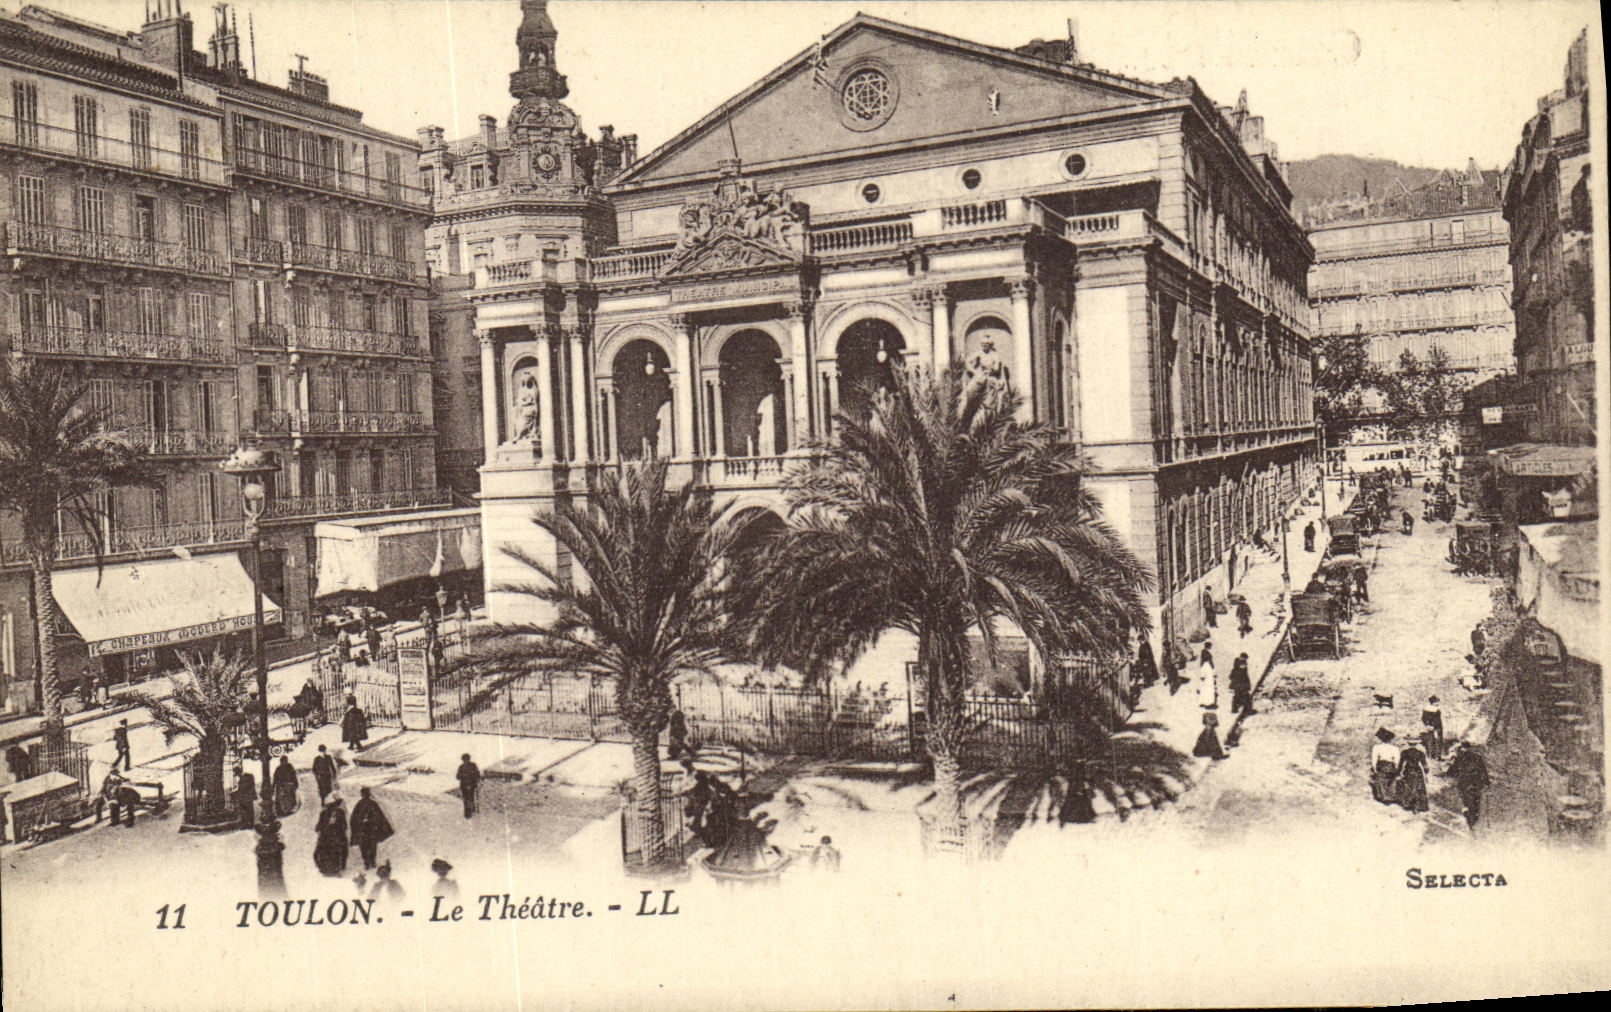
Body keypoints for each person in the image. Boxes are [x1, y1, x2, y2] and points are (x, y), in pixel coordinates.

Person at [349, 786, 394, 870]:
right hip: (371, 829)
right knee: (372, 845)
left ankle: (367, 862)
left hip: (364, 829)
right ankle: (372, 861)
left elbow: (353, 819)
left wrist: (359, 825)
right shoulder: (373, 804)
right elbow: (379, 817)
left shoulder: (359, 804)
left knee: (364, 845)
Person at [1446, 742, 1490, 829]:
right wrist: (1486, 781)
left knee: (1466, 799)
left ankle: (1469, 814)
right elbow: (1483, 769)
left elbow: (1451, 771)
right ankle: (1474, 817)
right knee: (1476, 799)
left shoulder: (1460, 757)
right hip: (1476, 783)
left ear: (1462, 748)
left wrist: (1449, 772)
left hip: (1464, 783)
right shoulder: (1478, 757)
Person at [314, 795, 349, 876]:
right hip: (337, 836)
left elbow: (318, 826)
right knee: (343, 849)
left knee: (321, 850)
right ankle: (340, 867)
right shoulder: (340, 812)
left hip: (326, 837)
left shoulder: (323, 813)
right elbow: (344, 826)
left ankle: (324, 869)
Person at [1370, 728, 1401, 804]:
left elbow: (1374, 759)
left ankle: (1384, 797)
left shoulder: (1377, 747)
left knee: (1381, 780)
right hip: (1391, 765)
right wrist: (1397, 769)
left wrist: (1374, 768)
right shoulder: (1395, 748)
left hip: (1381, 765)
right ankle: (1391, 796)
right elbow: (1397, 760)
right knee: (1392, 781)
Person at [1397, 739, 1430, 812]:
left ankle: (1408, 804)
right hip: (1417, 770)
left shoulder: (1404, 752)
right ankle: (1420, 805)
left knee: (1408, 786)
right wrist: (1426, 773)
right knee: (1419, 787)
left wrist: (1398, 773)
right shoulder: (1420, 753)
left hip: (1408, 770)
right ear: (1416, 744)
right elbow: (1425, 765)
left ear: (1408, 744)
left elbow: (1400, 764)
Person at [456, 753, 480, 819]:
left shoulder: (461, 767)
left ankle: (468, 812)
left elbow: (458, 777)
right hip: (470, 785)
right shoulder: (473, 765)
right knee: (470, 797)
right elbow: (477, 774)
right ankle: (471, 811)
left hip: (465, 785)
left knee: (467, 798)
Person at [1420, 695, 1445, 759]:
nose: (1438, 703)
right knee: (1438, 741)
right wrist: (1434, 726)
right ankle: (1437, 756)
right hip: (1437, 727)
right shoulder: (1436, 710)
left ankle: (1431, 756)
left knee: (1431, 741)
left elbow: (1423, 718)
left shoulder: (1426, 709)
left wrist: (1427, 725)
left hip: (1430, 727)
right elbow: (1437, 720)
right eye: (1437, 702)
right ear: (1433, 702)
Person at [1196, 643, 1217, 710]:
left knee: (1205, 689)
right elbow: (1205, 668)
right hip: (1207, 678)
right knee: (1208, 690)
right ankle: (1208, 703)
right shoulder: (1206, 663)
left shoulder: (1204, 653)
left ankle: (1204, 702)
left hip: (1207, 677)